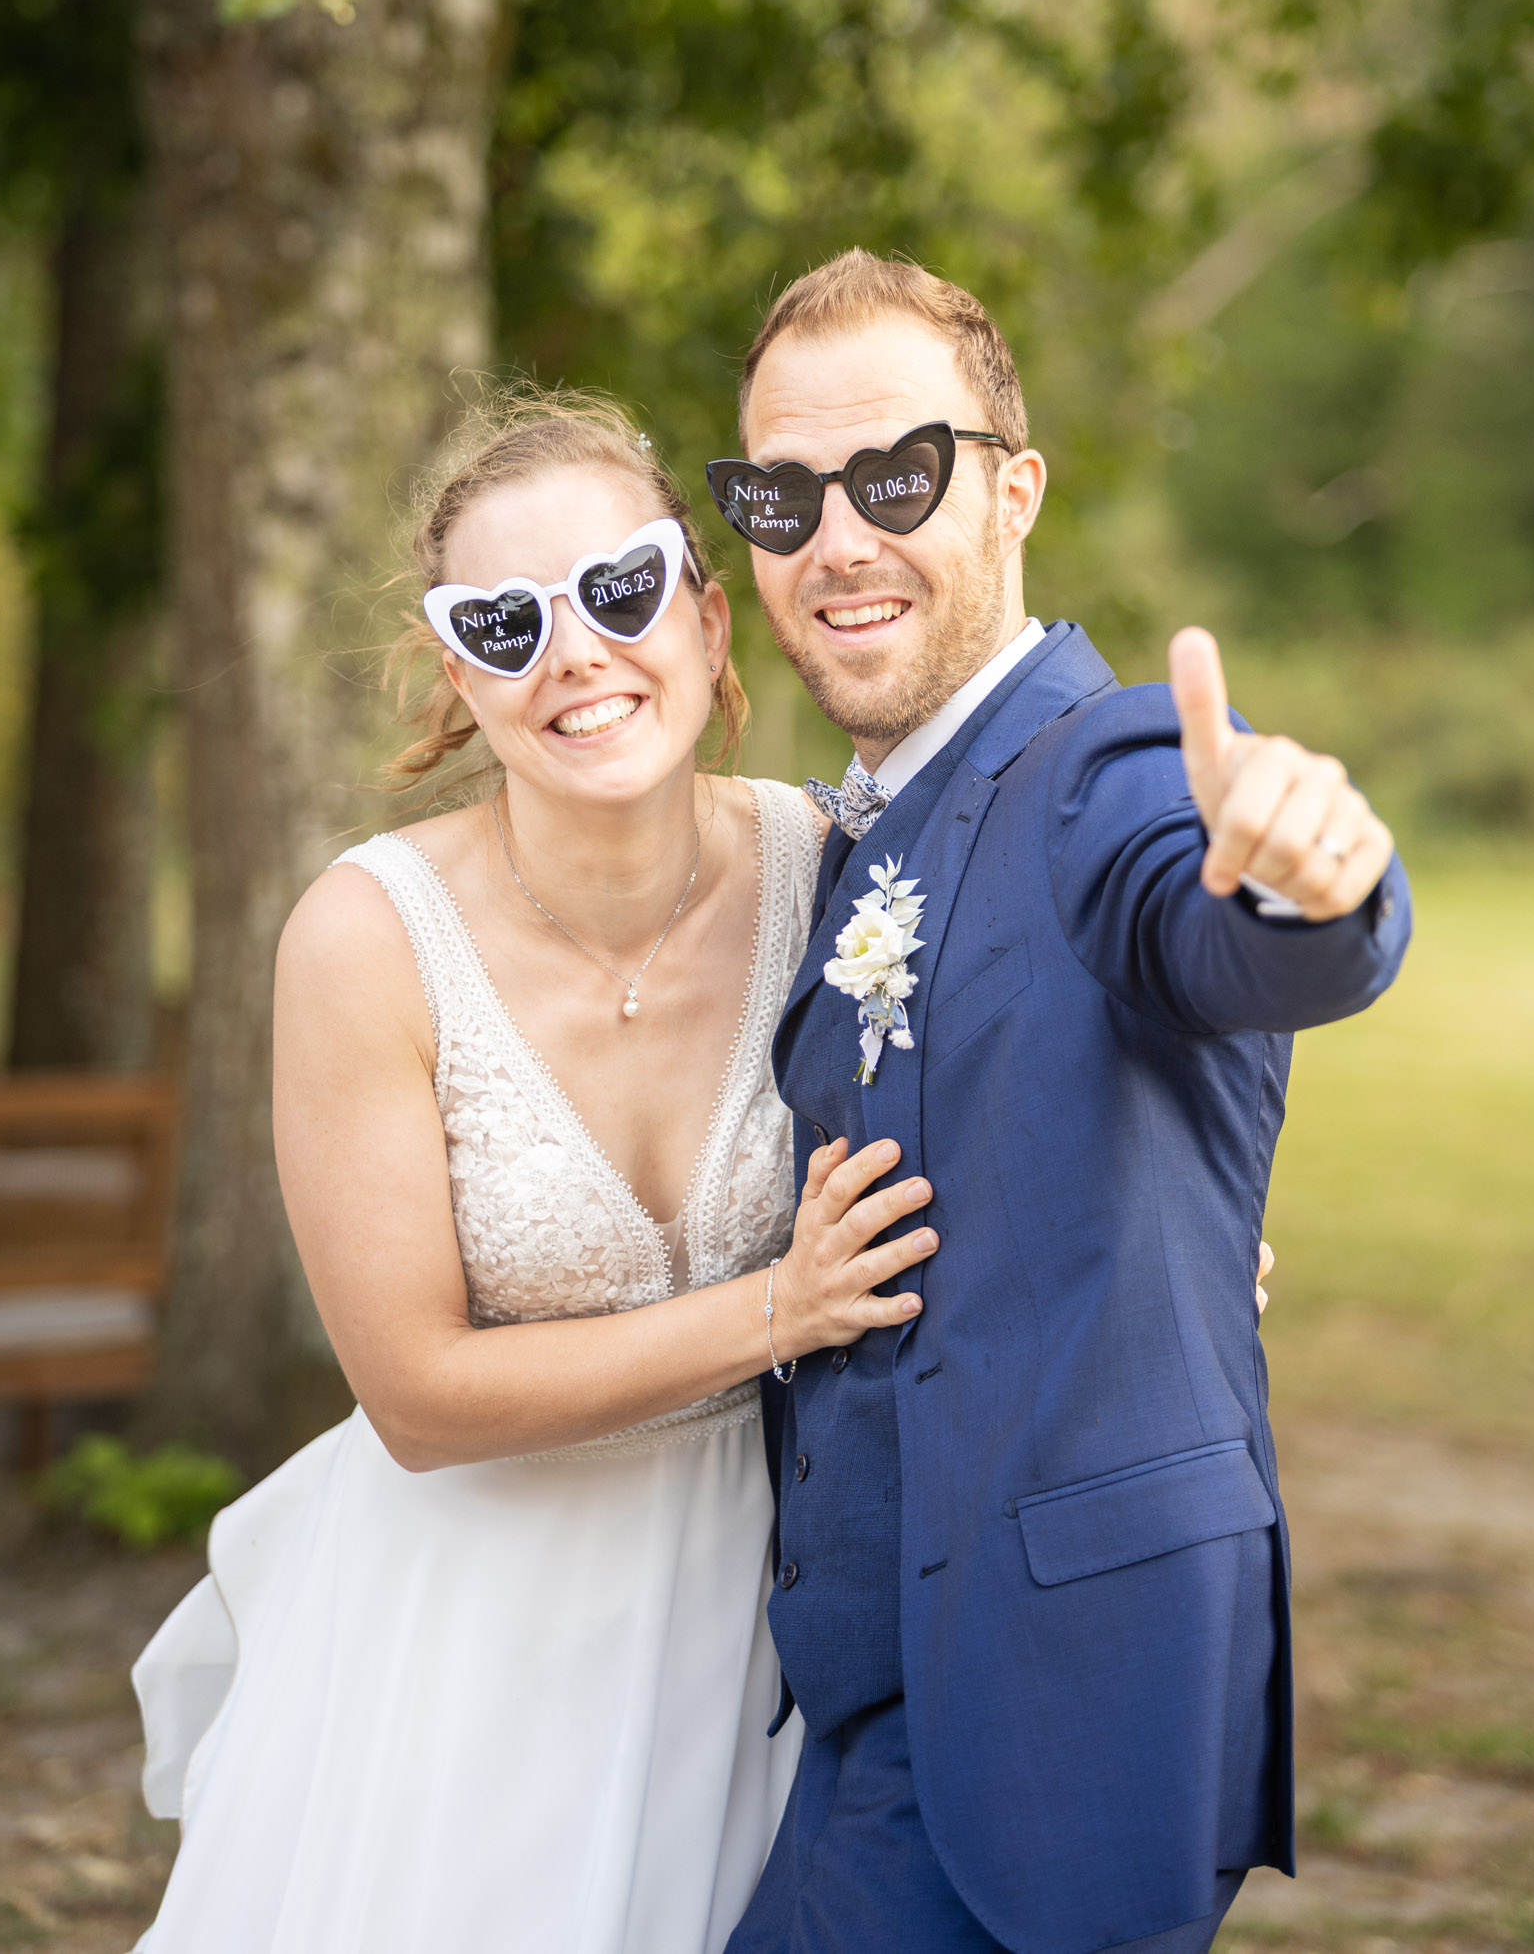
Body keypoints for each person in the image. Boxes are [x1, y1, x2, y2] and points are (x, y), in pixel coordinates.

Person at [128, 393, 936, 1954]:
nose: (574, 655)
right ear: (459, 677)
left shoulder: (842, 866)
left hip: (756, 1615)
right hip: (459, 1627)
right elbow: (417, 1397)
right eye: (506, 624)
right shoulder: (365, 939)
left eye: (620, 591)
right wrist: (781, 1307)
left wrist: (1176, 1221)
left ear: (707, 620)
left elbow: (1030, 1071)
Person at [701, 252, 1412, 1954]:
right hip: (869, 1714)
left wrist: (1314, 884)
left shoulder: (1101, 767)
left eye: (895, 476)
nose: (838, 538)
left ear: (1013, 490)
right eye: (780, 495)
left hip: (1051, 1705)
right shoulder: (840, 830)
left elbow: (1221, 919)